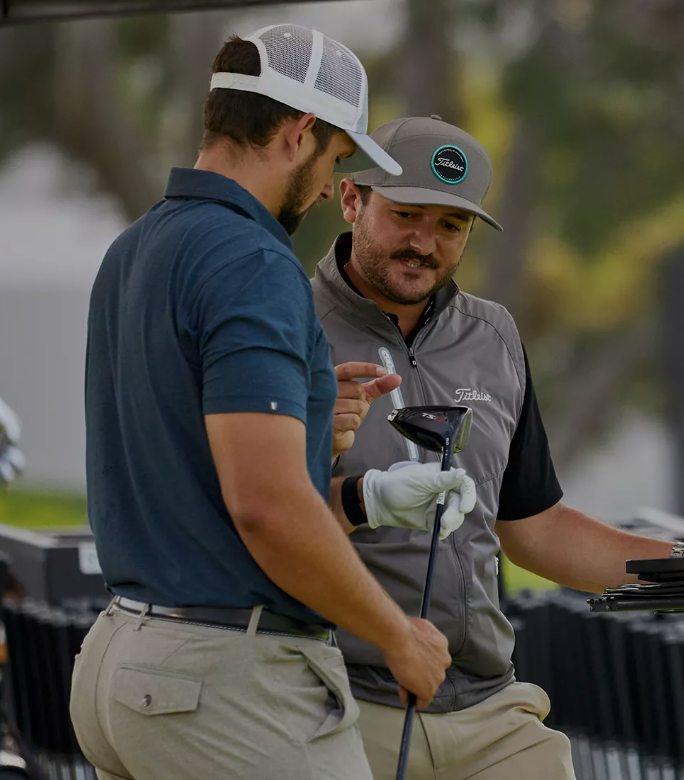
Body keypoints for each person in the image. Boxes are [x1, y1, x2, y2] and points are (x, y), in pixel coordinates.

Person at [69, 28, 477, 780]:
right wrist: (397, 636)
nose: (327, 189)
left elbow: (191, 472)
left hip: (122, 666)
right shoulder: (253, 260)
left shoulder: (135, 247)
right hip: (223, 688)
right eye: (335, 160)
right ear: (298, 134)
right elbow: (265, 505)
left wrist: (320, 433)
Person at [313, 115, 676, 780]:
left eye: (451, 225)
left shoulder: (494, 335)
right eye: (406, 215)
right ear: (351, 199)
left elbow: (535, 528)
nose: (424, 243)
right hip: (337, 702)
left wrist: (679, 572)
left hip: (488, 706)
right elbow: (263, 516)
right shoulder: (286, 326)